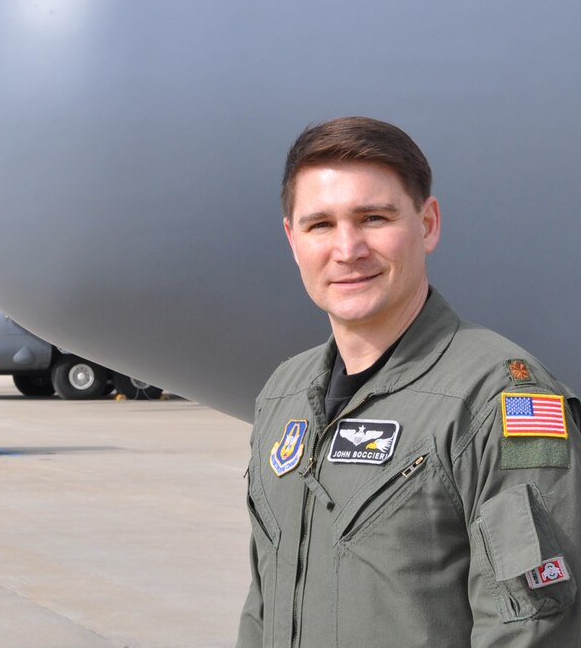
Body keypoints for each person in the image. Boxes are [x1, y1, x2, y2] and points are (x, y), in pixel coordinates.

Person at [236, 116, 580, 646]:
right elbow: (262, 607)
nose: (347, 249)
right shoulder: (284, 394)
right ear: (292, 239)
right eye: (320, 224)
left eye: (373, 218)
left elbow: (533, 627)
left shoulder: (498, 398)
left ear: (428, 223)